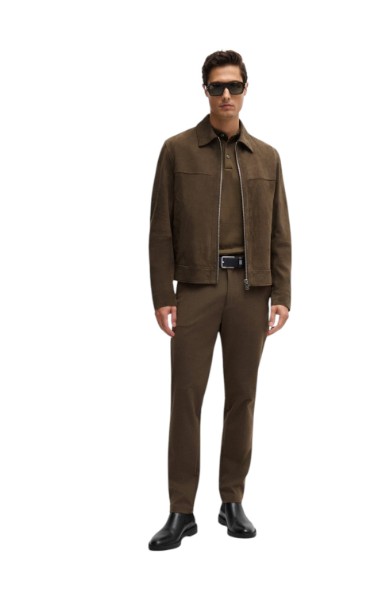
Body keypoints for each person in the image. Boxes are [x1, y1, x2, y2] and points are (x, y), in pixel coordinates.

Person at [147, 50, 292, 551]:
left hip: (251, 291)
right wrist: (162, 294)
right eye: (216, 87)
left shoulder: (267, 157)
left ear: (245, 89)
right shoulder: (177, 150)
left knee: (242, 398)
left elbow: (280, 231)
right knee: (186, 397)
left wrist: (282, 292)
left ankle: (232, 501)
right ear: (205, 91)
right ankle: (180, 510)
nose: (225, 95)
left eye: (233, 86)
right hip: (196, 289)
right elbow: (160, 229)